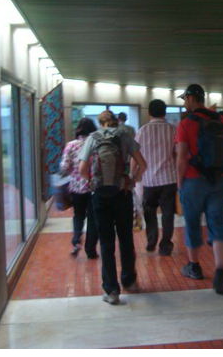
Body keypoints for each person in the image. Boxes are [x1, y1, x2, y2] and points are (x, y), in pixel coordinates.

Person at [175, 84, 223, 295]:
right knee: (217, 223)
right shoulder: (221, 120)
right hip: (219, 180)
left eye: (185, 99)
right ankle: (220, 270)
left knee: (192, 223)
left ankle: (194, 267)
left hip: (193, 181)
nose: (185, 103)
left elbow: (181, 157)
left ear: (191, 98)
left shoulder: (185, 123)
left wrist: (179, 182)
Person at [79, 110, 147, 305]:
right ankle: (129, 280)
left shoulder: (93, 138)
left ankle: (111, 290)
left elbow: (82, 169)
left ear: (100, 122)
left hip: (100, 196)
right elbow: (143, 164)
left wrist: (92, 182)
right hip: (122, 193)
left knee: (106, 243)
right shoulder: (125, 136)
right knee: (126, 239)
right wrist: (133, 180)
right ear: (116, 121)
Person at [134, 99, 177, 256]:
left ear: (149, 112)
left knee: (149, 211)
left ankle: (151, 240)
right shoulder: (173, 130)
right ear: (165, 112)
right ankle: (165, 245)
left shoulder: (142, 131)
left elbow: (135, 154)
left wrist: (133, 175)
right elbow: (178, 153)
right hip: (169, 179)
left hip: (149, 180)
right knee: (168, 213)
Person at [60, 117, 99, 258]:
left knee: (78, 215)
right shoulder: (97, 144)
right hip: (94, 187)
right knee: (93, 219)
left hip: (76, 188)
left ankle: (76, 240)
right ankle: (91, 250)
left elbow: (64, 167)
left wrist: (70, 170)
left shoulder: (71, 145)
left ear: (79, 130)